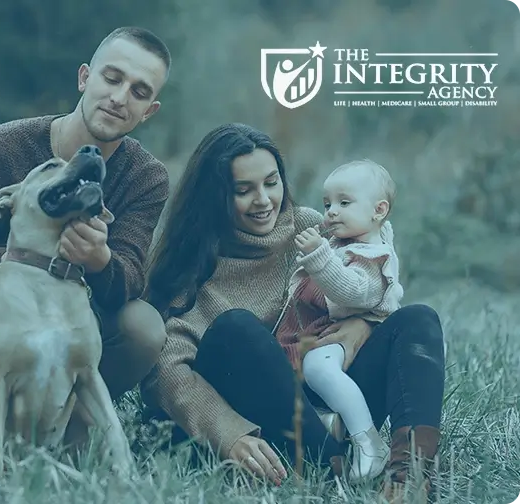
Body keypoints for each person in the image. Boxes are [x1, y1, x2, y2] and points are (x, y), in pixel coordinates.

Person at [141, 123, 445, 502]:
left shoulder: (308, 229)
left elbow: (369, 275)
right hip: (268, 413)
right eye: (243, 190)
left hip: (329, 385)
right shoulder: (189, 270)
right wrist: (229, 432)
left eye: (271, 182)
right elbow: (165, 370)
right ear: (215, 197)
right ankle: (332, 464)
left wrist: (363, 325)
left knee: (417, 320)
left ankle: (408, 475)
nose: (264, 200)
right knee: (237, 328)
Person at [0, 26, 172, 449]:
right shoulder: (0, 148)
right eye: (112, 78)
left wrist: (100, 261)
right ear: (85, 77)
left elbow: (131, 278)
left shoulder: (145, 177)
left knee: (144, 327)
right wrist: (24, 260)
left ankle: (72, 412)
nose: (120, 98)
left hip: (75, 340)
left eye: (138, 91)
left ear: (149, 110)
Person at [273, 159, 403, 483]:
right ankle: (331, 425)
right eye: (327, 203)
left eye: (344, 203)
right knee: (301, 379)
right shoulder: (342, 243)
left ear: (379, 210)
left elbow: (354, 292)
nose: (331, 211)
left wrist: (319, 256)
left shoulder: (376, 255)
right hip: (313, 334)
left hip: (340, 337)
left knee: (319, 369)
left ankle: (368, 440)